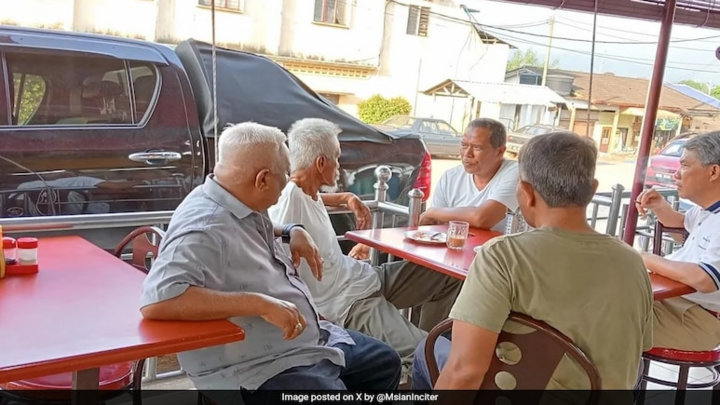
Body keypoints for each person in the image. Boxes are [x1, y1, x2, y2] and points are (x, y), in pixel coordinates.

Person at [139, 122, 401, 404]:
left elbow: (243, 227)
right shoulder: (203, 227)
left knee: (384, 363)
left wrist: (290, 230)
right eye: (284, 174)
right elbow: (159, 300)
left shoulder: (235, 198)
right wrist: (259, 303)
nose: (288, 181)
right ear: (262, 179)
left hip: (302, 342)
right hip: (257, 365)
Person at [412, 131, 653, 390]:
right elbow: (642, 348)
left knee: (427, 348)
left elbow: (466, 371)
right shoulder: (632, 261)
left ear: (526, 192)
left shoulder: (504, 256)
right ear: (592, 190)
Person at [268, 118, 459, 374]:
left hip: (364, 278)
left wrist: (347, 197)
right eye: (336, 158)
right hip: (350, 304)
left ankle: (428, 342)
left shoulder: (307, 191)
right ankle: (423, 357)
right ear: (320, 163)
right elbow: (274, 253)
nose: (339, 165)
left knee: (447, 273)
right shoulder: (289, 199)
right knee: (430, 354)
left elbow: (310, 196)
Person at [636, 131, 720, 351]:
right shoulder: (706, 211)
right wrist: (660, 207)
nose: (676, 174)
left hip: (699, 319)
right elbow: (681, 227)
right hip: (676, 303)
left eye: (684, 166)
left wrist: (646, 259)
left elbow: (705, 279)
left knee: (605, 321)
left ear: (713, 171)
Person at [418, 118, 519, 233]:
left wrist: (432, 212)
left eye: (477, 147)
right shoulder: (450, 177)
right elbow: (435, 226)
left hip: (496, 250)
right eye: (464, 145)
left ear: (500, 151)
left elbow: (482, 218)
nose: (467, 154)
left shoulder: (515, 172)